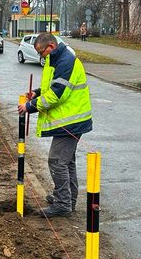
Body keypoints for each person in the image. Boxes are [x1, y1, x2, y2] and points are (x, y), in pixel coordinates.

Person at [17, 33, 92, 218]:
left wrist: (29, 107)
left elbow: (57, 94)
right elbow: (52, 87)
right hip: (69, 120)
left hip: (72, 121)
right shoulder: (56, 58)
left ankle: (63, 204)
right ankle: (67, 198)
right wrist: (37, 92)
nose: (41, 56)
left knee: (57, 161)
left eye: (41, 52)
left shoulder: (66, 60)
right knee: (67, 162)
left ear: (51, 45)